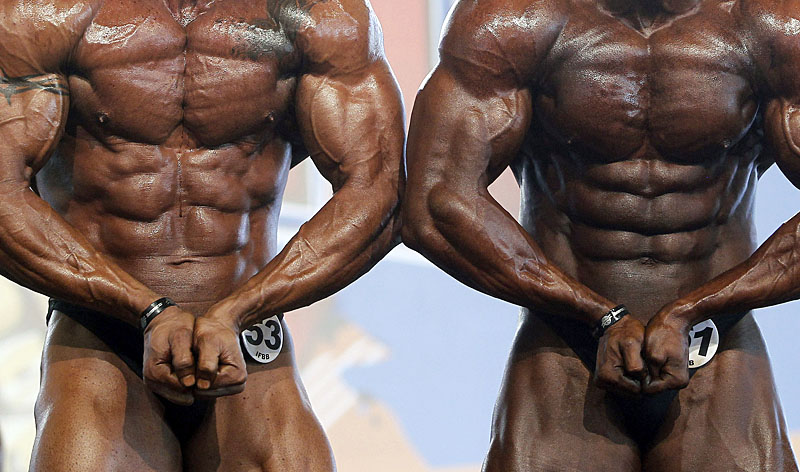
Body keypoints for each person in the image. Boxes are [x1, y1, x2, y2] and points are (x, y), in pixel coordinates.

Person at [0, 0, 404, 470]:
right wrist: (146, 310)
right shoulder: (46, 14)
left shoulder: (317, 15)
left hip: (246, 335)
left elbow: (378, 191)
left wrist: (238, 310)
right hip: (102, 333)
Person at [403, 0, 800, 469]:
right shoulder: (513, 19)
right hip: (565, 346)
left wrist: (696, 309)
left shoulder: (771, 24)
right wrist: (597, 314)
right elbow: (438, 202)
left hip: (716, 345)